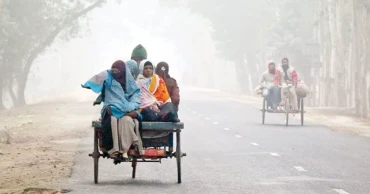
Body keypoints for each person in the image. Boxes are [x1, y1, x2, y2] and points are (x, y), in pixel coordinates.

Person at [82, 60, 143, 160]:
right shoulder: (109, 79)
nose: (114, 73)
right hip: (112, 108)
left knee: (127, 121)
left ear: (123, 71)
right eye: (113, 71)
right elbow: (97, 80)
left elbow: (136, 99)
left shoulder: (131, 83)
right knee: (113, 120)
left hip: (128, 111)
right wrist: (88, 84)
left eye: (117, 71)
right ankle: (114, 150)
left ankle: (124, 149)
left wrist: (129, 108)